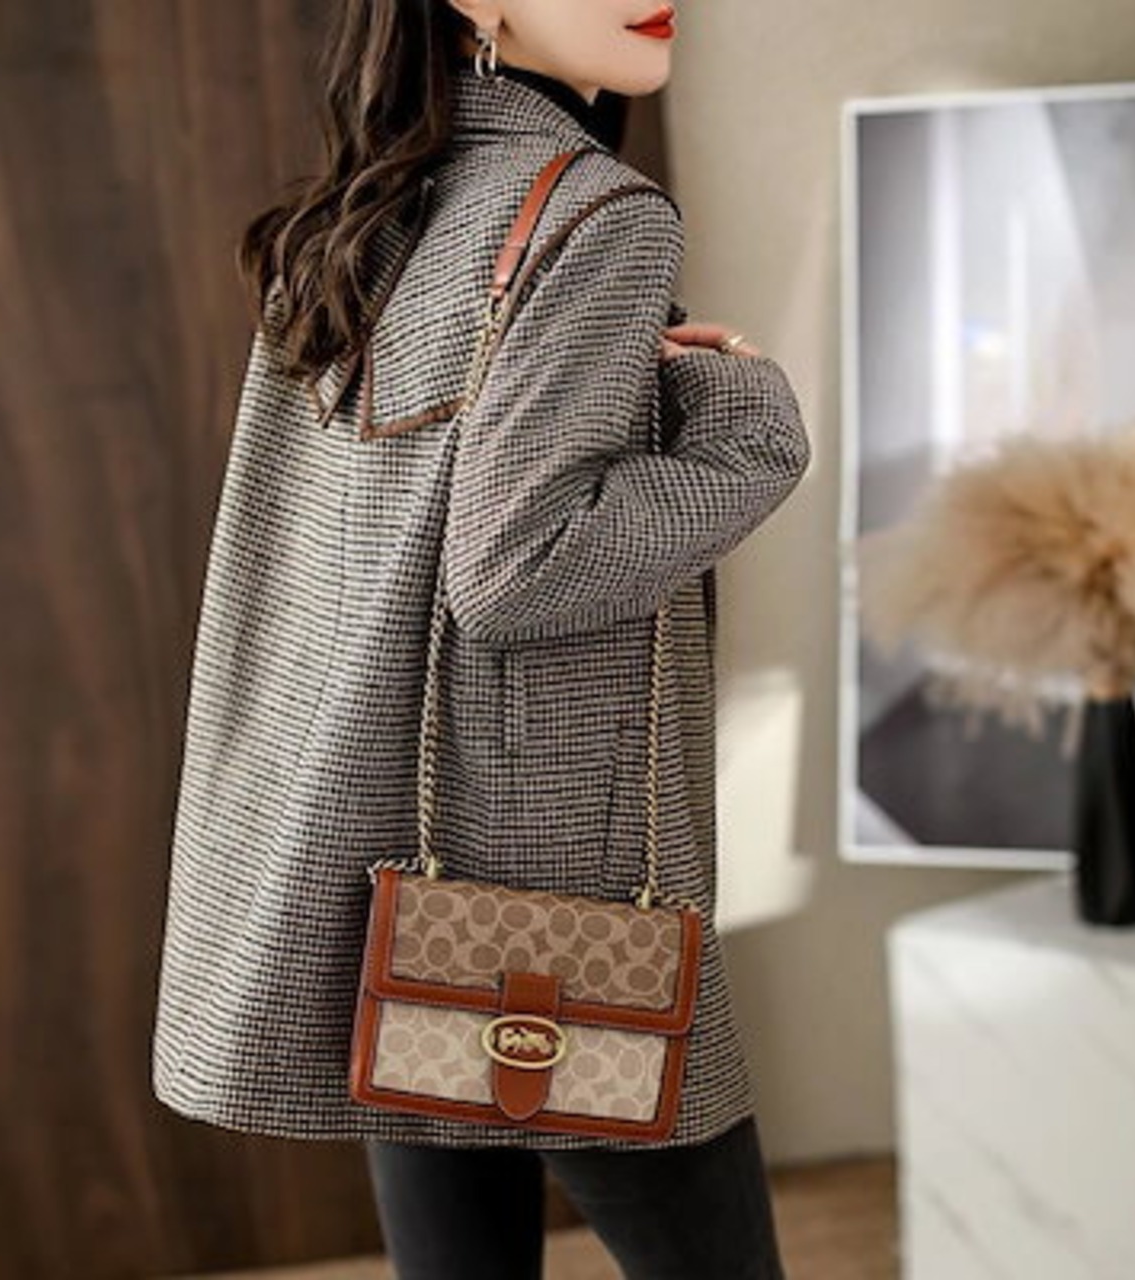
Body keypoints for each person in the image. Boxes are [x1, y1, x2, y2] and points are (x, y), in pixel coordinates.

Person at [151, 1, 811, 1276]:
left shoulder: (361, 217)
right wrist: (745, 424)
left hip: (399, 874)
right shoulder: (597, 213)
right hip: (556, 903)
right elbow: (520, 569)